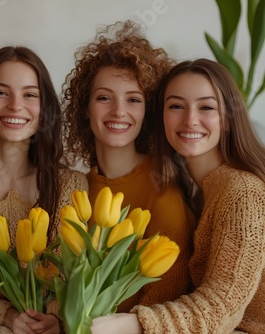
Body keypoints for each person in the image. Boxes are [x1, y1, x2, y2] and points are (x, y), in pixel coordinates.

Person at [92, 58, 265, 333]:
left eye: (206, 107)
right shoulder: (196, 189)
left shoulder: (242, 191)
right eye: (176, 106)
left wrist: (134, 323)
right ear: (161, 117)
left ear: (229, 119)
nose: (190, 120)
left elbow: (222, 306)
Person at [62, 20, 196, 312]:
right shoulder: (74, 187)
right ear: (85, 107)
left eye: (133, 99)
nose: (118, 111)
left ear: (147, 111)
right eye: (104, 98)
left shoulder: (163, 193)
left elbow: (162, 302)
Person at [0, 45, 88, 334]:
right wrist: (4, 314)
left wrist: (55, 318)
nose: (15, 105)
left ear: (45, 109)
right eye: (1, 92)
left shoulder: (71, 185)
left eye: (30, 94)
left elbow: (74, 276)